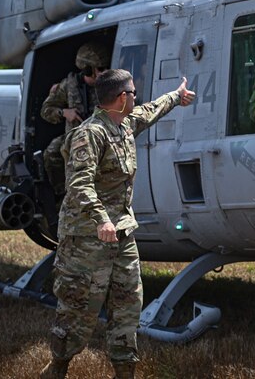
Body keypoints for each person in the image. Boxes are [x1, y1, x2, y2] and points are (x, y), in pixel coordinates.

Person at [40, 69, 195, 379]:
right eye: (133, 93)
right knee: (78, 312)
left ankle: (125, 372)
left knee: (127, 308)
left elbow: (150, 111)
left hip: (121, 234)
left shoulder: (123, 124)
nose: (136, 98)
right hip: (86, 238)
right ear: (122, 98)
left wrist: (176, 98)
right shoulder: (90, 134)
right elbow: (79, 184)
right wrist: (101, 220)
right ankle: (57, 369)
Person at [39, 41, 111, 196]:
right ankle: (62, 195)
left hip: (103, 137)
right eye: (100, 69)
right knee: (52, 153)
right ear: (87, 70)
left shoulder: (110, 84)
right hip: (75, 138)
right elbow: (46, 110)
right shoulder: (68, 85)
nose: (105, 72)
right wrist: (64, 112)